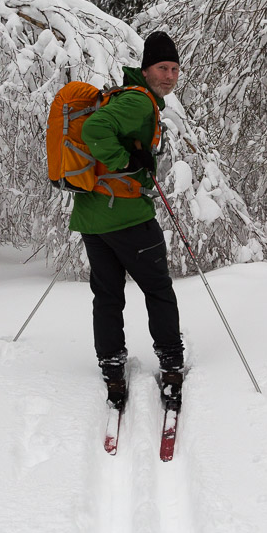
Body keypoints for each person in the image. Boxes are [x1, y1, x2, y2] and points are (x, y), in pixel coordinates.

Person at [70, 30, 185, 411]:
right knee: (158, 288)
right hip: (126, 216)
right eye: (161, 67)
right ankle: (170, 362)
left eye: (174, 69)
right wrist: (127, 162)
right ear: (146, 69)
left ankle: (111, 365)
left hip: (93, 216)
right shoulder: (138, 102)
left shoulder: (128, 97)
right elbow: (94, 129)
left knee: (107, 294)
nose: (169, 76)